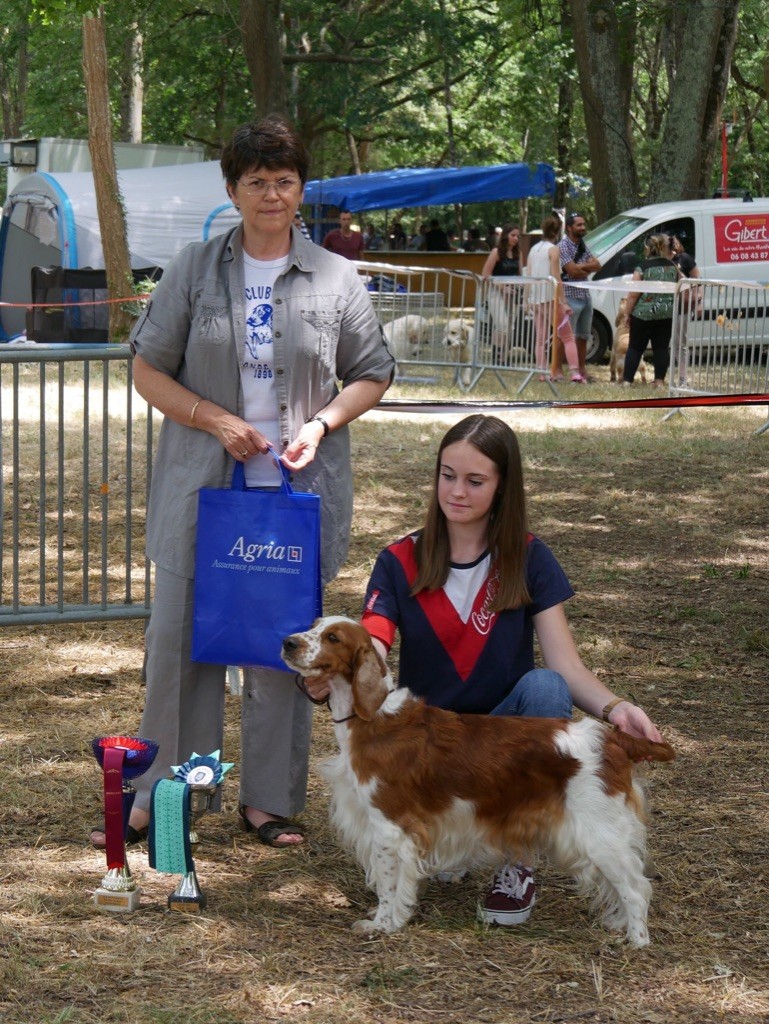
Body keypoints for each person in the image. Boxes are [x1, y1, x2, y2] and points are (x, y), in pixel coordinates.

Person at [90, 115, 394, 851]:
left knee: (281, 649)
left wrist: (320, 425)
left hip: (292, 498)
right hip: (201, 493)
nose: (271, 195)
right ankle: (162, 794)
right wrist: (213, 420)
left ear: (300, 190)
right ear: (232, 190)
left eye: (283, 181)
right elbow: (147, 368)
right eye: (256, 181)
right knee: (180, 643)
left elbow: (373, 371)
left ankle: (269, 802)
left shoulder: (335, 274)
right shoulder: (193, 268)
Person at [305, 414, 663, 926]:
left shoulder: (528, 557)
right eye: (447, 475)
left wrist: (617, 708)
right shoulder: (401, 559)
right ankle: (448, 832)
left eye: (475, 481)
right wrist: (331, 670)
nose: (457, 491)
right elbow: (374, 640)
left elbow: (566, 663)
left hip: (503, 729)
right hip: (433, 738)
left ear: (502, 487)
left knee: (545, 685)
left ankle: (515, 862)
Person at [526, 215, 585, 382]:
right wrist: (563, 302)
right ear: (558, 231)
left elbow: (529, 275)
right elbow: (556, 276)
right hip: (550, 299)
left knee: (540, 338)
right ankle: (575, 372)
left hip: (535, 298)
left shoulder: (533, 249)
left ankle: (542, 372)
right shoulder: (554, 249)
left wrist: (527, 300)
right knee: (568, 337)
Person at [621, 233, 682, 387]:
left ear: (649, 248)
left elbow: (634, 294)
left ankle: (627, 381)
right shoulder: (673, 267)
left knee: (635, 347)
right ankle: (660, 381)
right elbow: (682, 283)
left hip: (643, 314)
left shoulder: (642, 267)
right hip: (666, 313)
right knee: (661, 348)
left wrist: (627, 313)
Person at [557, 213, 601, 381]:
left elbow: (598, 265)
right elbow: (572, 271)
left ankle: (582, 370)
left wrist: (580, 266)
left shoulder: (583, 245)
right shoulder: (563, 246)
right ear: (569, 227)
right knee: (565, 336)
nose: (583, 227)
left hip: (585, 295)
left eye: (583, 224)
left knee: (583, 335)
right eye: (579, 225)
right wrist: (584, 268)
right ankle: (559, 370)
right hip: (569, 296)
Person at [481, 223, 523, 365]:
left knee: (510, 327)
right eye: (513, 235)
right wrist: (502, 288)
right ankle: (496, 355)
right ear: (505, 236)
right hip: (496, 292)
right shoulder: (496, 252)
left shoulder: (518, 254)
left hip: (513, 294)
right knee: (502, 324)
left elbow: (520, 275)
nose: (516, 238)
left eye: (518, 236)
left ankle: (503, 357)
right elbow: (485, 275)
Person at [670, 234, 701, 386]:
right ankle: (670, 378)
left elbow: (697, 280)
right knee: (673, 343)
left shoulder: (685, 259)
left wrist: (699, 302)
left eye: (674, 241)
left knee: (680, 342)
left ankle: (682, 378)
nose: (673, 244)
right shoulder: (660, 260)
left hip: (683, 307)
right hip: (666, 308)